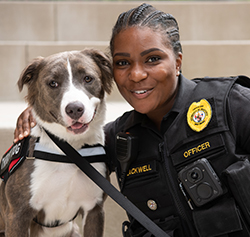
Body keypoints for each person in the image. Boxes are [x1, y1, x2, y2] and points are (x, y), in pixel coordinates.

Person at [13, 3, 250, 237]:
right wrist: (40, 112)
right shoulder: (116, 138)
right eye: (123, 63)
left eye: (153, 59)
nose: (137, 74)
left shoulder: (231, 104)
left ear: (177, 61)